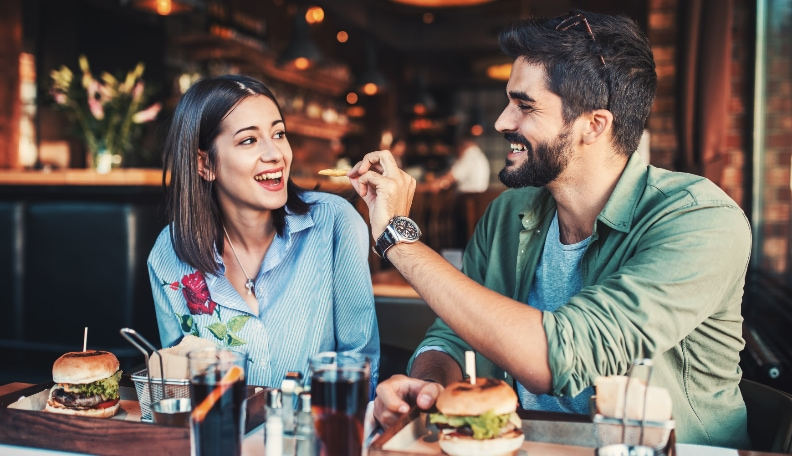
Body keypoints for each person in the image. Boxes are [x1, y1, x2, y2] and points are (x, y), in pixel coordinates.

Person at [349, 9, 751, 449]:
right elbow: (452, 333)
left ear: (594, 125)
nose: (503, 122)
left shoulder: (699, 221)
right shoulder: (508, 212)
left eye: (524, 105)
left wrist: (396, 238)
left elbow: (558, 356)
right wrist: (429, 385)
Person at [148, 74, 380, 391]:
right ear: (205, 164)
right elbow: (176, 380)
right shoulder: (169, 253)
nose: (276, 154)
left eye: (278, 134)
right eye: (249, 140)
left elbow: (359, 364)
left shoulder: (334, 223)